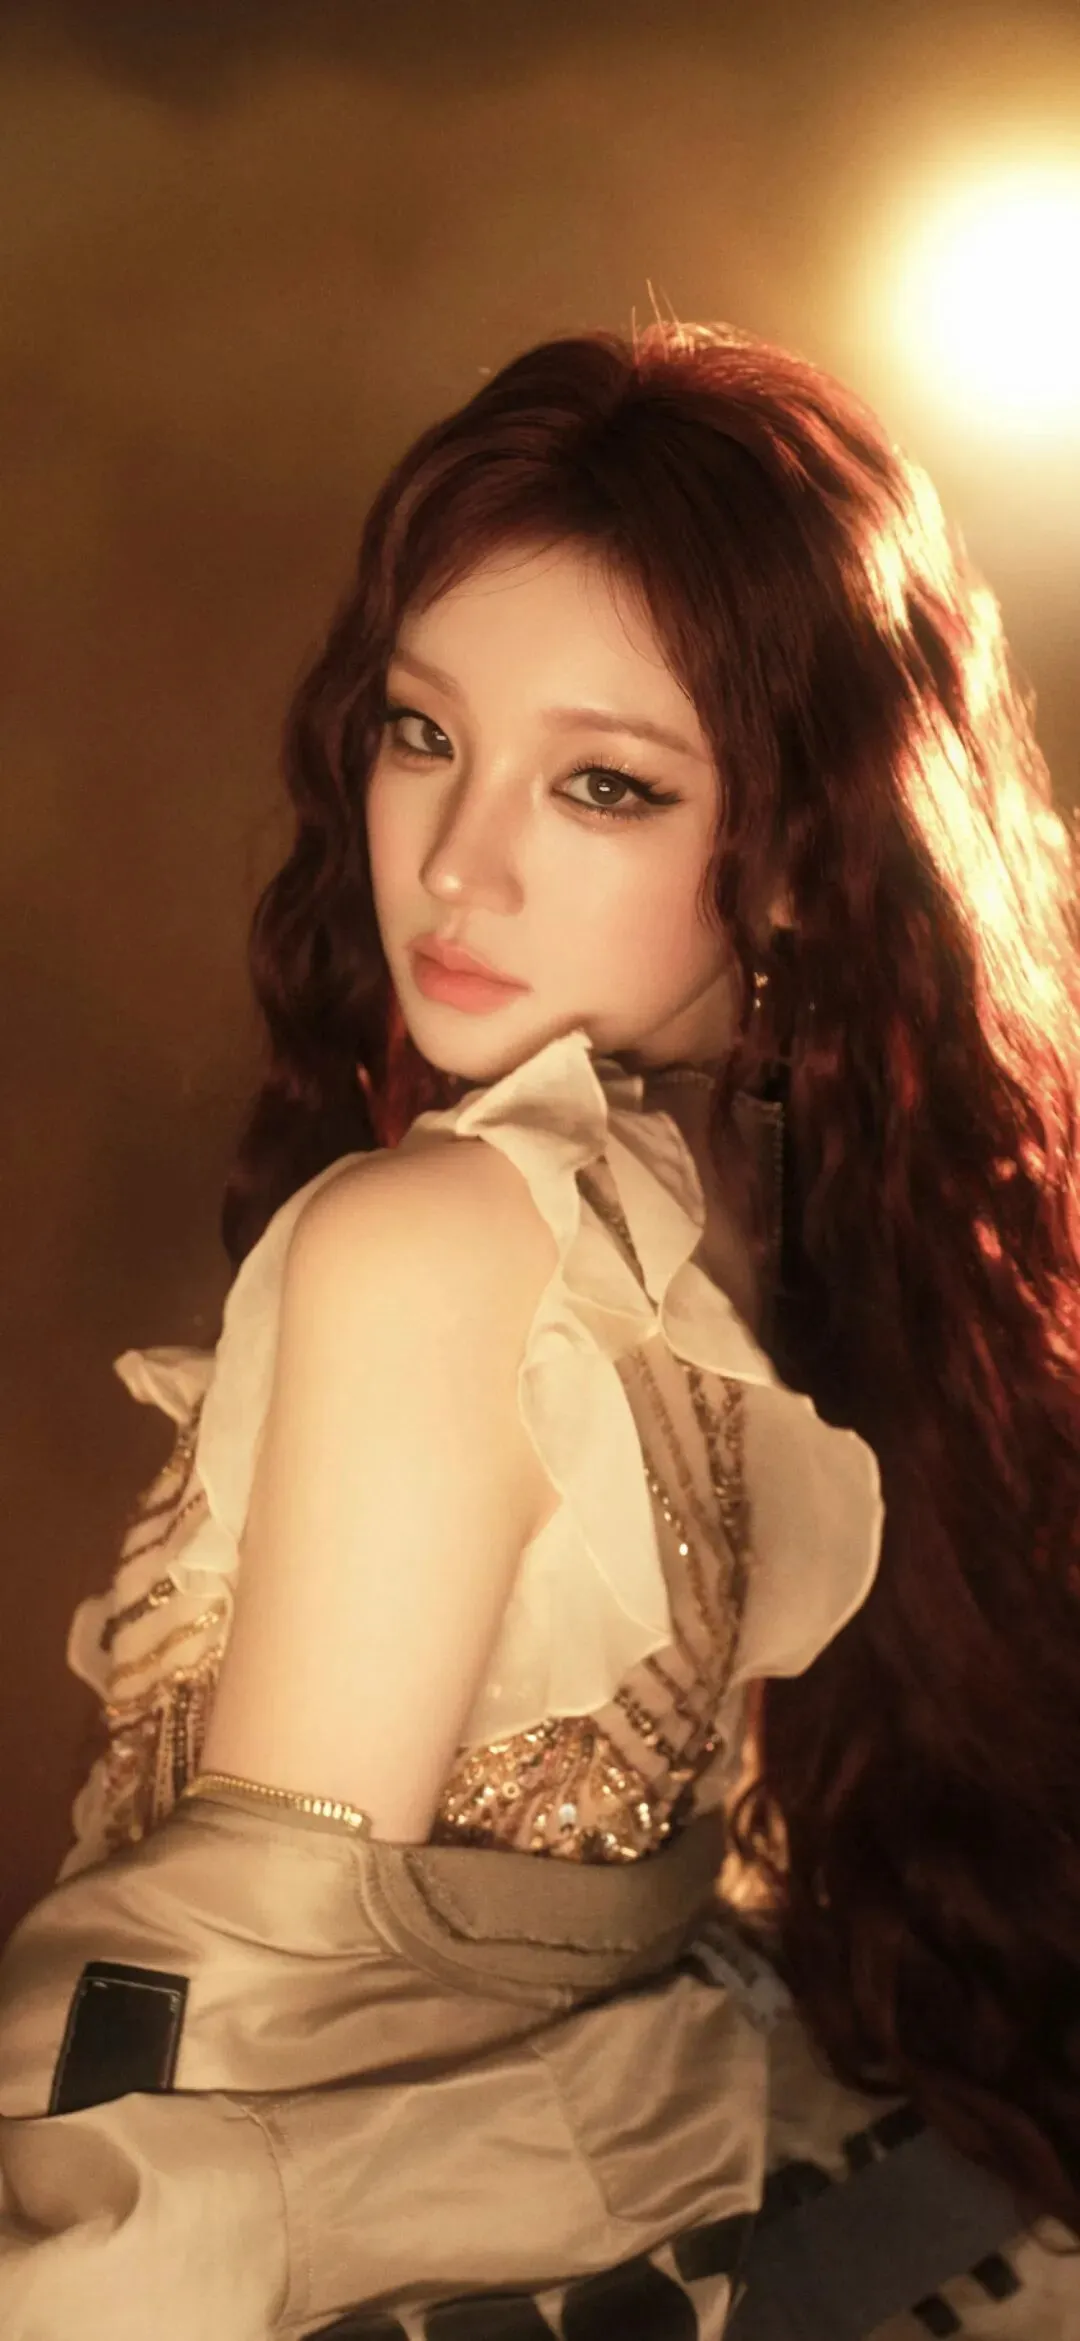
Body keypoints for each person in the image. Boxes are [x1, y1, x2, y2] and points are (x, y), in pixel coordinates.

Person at [0, 317, 1077, 2340]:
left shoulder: (432, 1244)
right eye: (422, 734)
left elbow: (224, 2003)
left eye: (602, 784)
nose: (454, 862)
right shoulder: (760, 1216)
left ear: (797, 855)